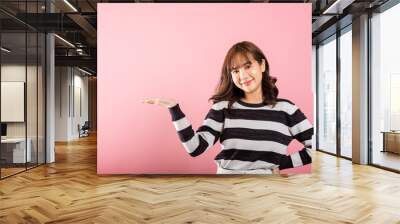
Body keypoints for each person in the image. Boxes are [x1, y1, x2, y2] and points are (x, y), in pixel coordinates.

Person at [143, 41, 313, 175]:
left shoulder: (286, 109)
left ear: (261, 65)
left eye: (248, 66)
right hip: (226, 189)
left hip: (268, 189)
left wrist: (283, 164)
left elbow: (317, 148)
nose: (243, 76)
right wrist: (175, 110)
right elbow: (195, 148)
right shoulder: (222, 109)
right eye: (235, 71)